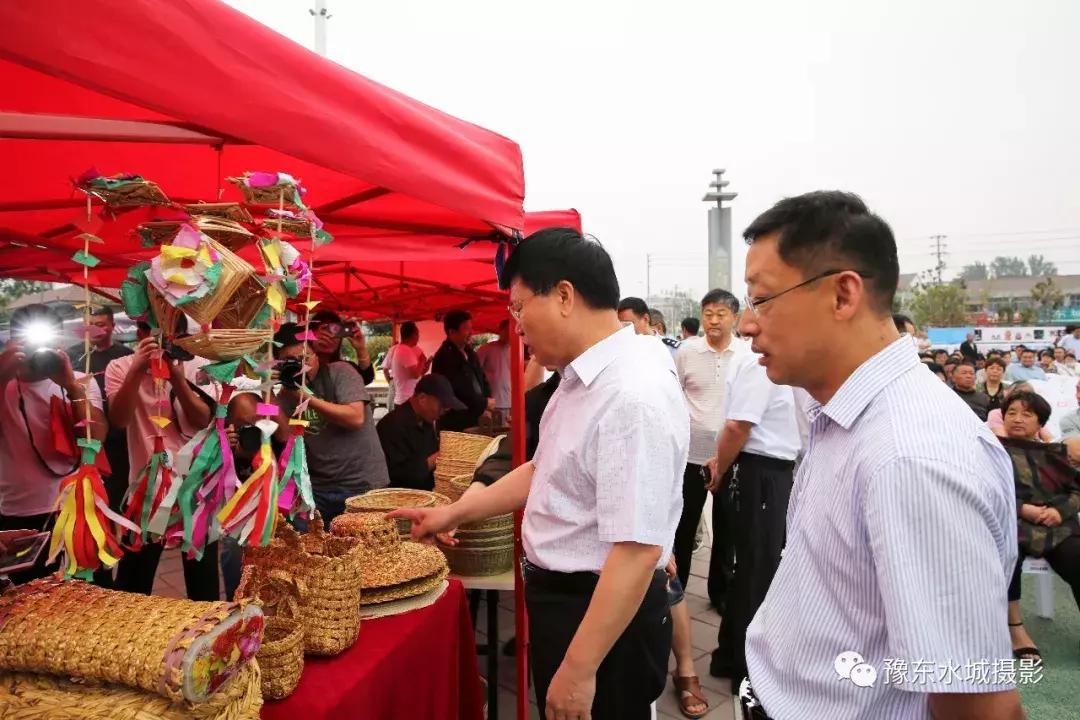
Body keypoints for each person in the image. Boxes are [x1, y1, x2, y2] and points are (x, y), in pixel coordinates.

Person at [736, 191, 1022, 720]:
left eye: (762, 299)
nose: (745, 325)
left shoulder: (911, 457)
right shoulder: (844, 413)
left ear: (844, 295)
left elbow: (978, 702)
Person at [390, 227, 688, 720]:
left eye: (520, 306)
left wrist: (578, 668)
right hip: (566, 603)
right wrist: (453, 513)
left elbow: (636, 551)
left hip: (598, 616)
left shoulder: (632, 393)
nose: (517, 324)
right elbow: (543, 468)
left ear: (565, 296)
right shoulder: (577, 380)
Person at [704, 320, 800, 693]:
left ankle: (730, 656)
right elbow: (737, 427)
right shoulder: (761, 364)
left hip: (764, 470)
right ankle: (745, 668)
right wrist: (720, 469)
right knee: (756, 571)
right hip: (759, 471)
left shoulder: (759, 360)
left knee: (753, 569)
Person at [106, 324, 220, 600]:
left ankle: (204, 640)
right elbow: (119, 420)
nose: (160, 339)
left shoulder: (200, 365)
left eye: (168, 330)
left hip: (196, 491)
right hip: (144, 495)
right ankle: (131, 639)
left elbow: (204, 420)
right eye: (151, 330)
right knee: (134, 585)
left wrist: (178, 378)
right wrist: (137, 369)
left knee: (202, 586)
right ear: (139, 333)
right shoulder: (120, 366)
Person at [0, 305, 106, 583]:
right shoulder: (4, 382)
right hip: (19, 513)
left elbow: (96, 438)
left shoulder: (79, 380)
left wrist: (71, 387)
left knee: (89, 599)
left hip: (77, 508)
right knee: (27, 603)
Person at [272, 322, 388, 525]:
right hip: (318, 489)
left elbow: (355, 418)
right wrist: (270, 397)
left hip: (362, 485)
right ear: (278, 364)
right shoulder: (285, 395)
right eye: (289, 361)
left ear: (316, 356)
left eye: (303, 358)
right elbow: (285, 436)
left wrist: (306, 398)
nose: (300, 367)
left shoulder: (341, 372)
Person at [672, 290, 741, 616]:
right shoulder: (687, 351)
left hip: (729, 457)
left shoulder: (743, 354)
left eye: (721, 314)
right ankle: (677, 587)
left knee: (726, 527)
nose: (713, 320)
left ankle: (721, 591)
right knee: (684, 525)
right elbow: (674, 394)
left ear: (734, 317)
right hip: (690, 456)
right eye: (708, 313)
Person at [1000, 391, 1080, 663]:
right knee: (1005, 556)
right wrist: (1023, 508)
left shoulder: (1056, 453)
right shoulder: (992, 449)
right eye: (1011, 412)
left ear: (1040, 423)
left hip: (1056, 525)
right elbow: (985, 490)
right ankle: (1016, 630)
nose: (1017, 419)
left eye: (1026, 414)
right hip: (1011, 522)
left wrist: (1060, 511)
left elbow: (1076, 490)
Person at [66, 307, 133, 518]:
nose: (95, 330)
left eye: (101, 325)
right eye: (91, 325)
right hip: (87, 437)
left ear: (113, 326)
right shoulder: (75, 356)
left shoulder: (126, 356)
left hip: (120, 437)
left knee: (118, 493)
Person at [376, 374, 464, 490]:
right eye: (442, 405)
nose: (445, 411)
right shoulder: (392, 426)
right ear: (422, 398)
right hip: (403, 498)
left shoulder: (425, 420)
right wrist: (438, 457)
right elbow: (399, 476)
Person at [432, 310, 491, 432]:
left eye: (471, 328)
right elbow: (457, 390)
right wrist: (483, 404)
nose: (471, 333)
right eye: (466, 329)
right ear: (452, 332)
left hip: (475, 416)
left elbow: (482, 379)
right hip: (456, 422)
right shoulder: (444, 356)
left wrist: (486, 402)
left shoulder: (470, 353)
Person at [310, 310, 375, 385]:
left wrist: (361, 349)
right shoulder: (301, 365)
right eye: (325, 329)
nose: (330, 336)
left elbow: (366, 378)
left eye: (336, 330)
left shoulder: (345, 368)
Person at [476, 319, 511, 424]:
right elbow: (476, 374)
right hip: (493, 403)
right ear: (501, 331)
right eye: (507, 330)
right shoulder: (486, 349)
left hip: (510, 402)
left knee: (507, 436)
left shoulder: (516, 351)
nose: (510, 333)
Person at [388, 321, 431, 406]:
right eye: (418, 334)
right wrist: (422, 360)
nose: (418, 337)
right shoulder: (405, 350)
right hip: (406, 401)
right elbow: (414, 375)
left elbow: (417, 374)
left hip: (405, 400)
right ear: (413, 335)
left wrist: (426, 364)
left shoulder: (402, 349)